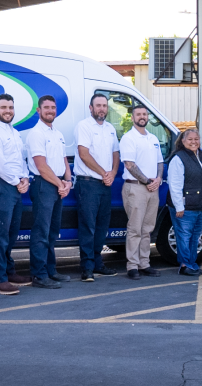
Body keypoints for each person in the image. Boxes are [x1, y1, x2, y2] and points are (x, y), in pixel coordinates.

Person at [0, 94, 32, 294]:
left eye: (11, 107)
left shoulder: (15, 132)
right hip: (0, 185)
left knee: (11, 234)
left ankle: (8, 271)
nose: (8, 111)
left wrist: (26, 178)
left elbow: (21, 160)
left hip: (14, 186)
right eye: (4, 107)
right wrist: (16, 181)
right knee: (0, 234)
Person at [27, 95, 74, 288]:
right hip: (44, 185)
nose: (50, 111)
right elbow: (41, 165)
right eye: (46, 107)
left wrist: (68, 181)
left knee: (52, 231)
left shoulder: (58, 134)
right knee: (41, 231)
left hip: (57, 185)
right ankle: (39, 274)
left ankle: (50, 270)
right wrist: (60, 183)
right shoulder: (36, 134)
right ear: (38, 110)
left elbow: (64, 160)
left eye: (53, 107)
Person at [75, 93, 121, 281]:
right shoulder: (84, 126)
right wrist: (104, 173)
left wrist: (112, 173)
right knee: (88, 226)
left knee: (102, 227)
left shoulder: (110, 128)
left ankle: (97, 263)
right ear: (90, 108)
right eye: (98, 105)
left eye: (104, 105)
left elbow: (116, 153)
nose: (102, 108)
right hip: (88, 184)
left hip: (105, 184)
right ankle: (87, 268)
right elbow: (83, 154)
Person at [119, 105, 164, 280]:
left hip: (152, 188)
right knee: (135, 228)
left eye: (144, 114)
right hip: (136, 187)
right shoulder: (128, 138)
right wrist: (147, 181)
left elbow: (160, 162)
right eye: (138, 114)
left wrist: (158, 179)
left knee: (147, 229)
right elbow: (129, 164)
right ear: (132, 118)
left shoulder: (153, 138)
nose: (142, 117)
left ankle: (144, 263)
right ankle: (132, 266)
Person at [168, 129, 202, 276]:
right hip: (184, 207)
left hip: (199, 205)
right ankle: (185, 265)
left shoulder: (201, 155)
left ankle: (192, 264)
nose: (194, 142)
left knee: (194, 236)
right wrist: (179, 206)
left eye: (196, 139)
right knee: (184, 236)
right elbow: (174, 185)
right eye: (190, 139)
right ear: (183, 141)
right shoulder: (178, 158)